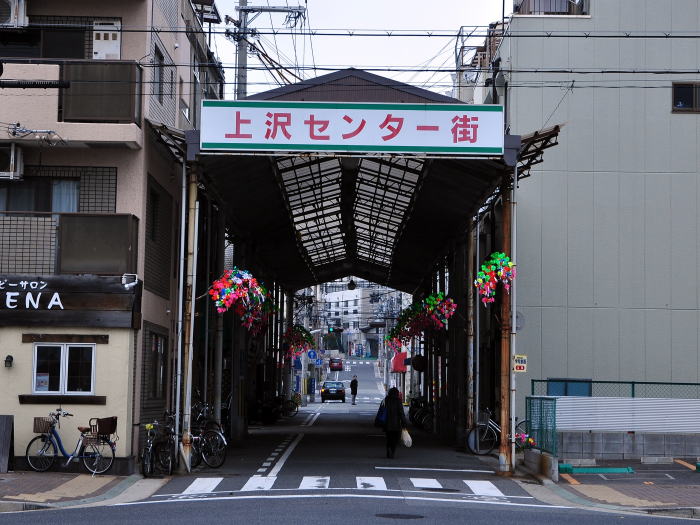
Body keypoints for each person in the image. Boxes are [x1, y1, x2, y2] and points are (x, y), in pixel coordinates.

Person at [381, 387, 407, 458]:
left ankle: (388, 449)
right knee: (395, 438)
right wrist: (404, 422)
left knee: (389, 438)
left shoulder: (386, 400)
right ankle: (392, 451)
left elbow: (381, 410)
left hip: (387, 423)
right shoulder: (398, 401)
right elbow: (401, 412)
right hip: (396, 423)